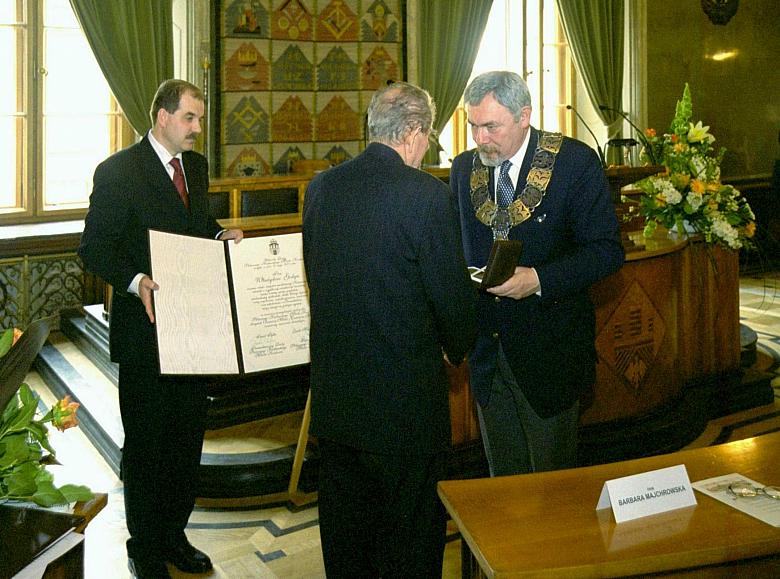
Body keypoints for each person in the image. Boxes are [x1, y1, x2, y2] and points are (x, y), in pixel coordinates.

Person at [302, 81, 477, 577]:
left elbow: (317, 278)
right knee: (408, 545)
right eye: (430, 137)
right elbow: (451, 304)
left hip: (336, 407)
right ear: (416, 132)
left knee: (346, 542)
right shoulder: (426, 196)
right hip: (403, 413)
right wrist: (458, 343)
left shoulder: (321, 188)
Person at [78, 79, 243, 579]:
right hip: (144, 331)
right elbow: (93, 248)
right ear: (162, 117)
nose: (198, 129)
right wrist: (135, 281)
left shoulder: (195, 167)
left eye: (199, 119)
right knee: (148, 445)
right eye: (190, 118)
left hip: (194, 329)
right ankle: (144, 545)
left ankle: (175, 535)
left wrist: (219, 234)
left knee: (186, 442)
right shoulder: (118, 171)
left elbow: (193, 224)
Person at [449, 71, 624, 477]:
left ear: (524, 116)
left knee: (553, 491)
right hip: (488, 358)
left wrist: (538, 280)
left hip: (551, 356)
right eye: (473, 126)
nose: (480, 139)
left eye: (491, 126)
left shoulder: (574, 163)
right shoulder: (463, 170)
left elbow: (606, 252)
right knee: (504, 489)